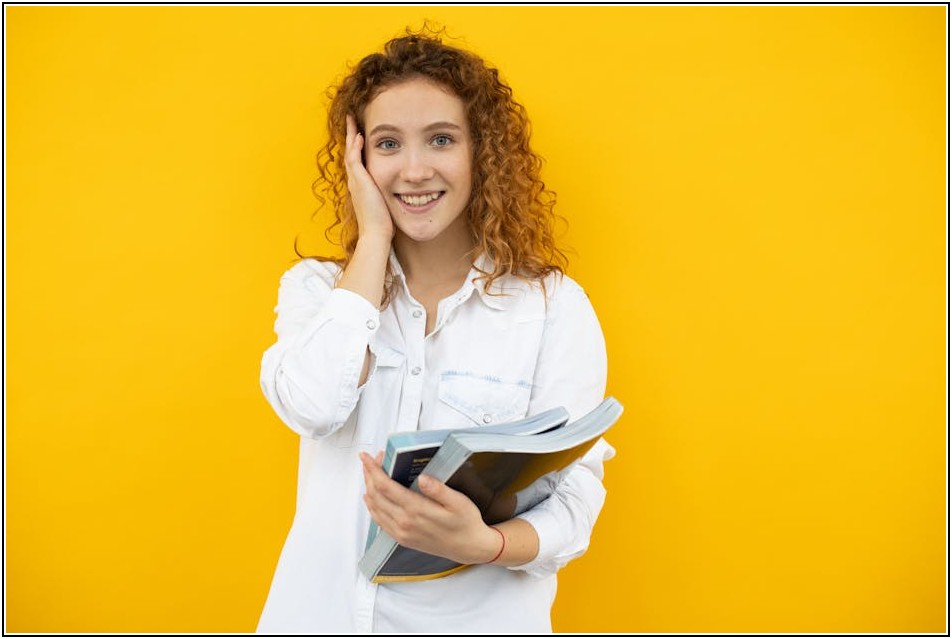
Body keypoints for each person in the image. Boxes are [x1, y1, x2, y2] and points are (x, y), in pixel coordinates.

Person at [257, 27, 615, 634]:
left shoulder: (553, 307)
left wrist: (488, 545)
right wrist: (372, 241)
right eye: (388, 143)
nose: (414, 170)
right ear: (359, 157)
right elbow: (313, 406)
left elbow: (575, 497)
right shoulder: (319, 291)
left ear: (482, 153)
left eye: (441, 140)